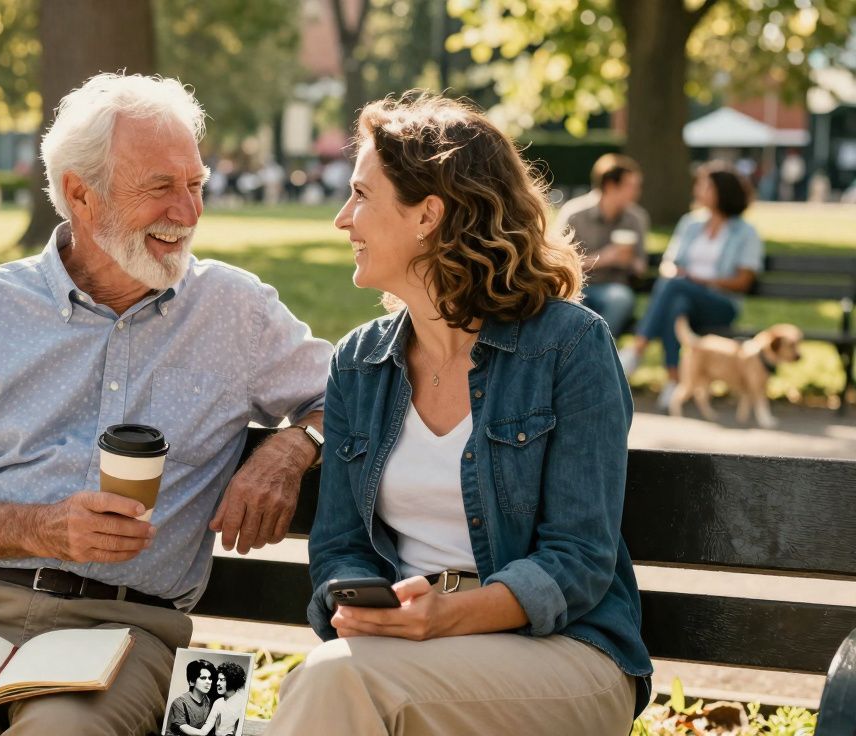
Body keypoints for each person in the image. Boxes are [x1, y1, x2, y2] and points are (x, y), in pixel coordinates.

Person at [0, 73, 331, 736]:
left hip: (125, 628)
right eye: (160, 187)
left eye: (195, 184)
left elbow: (354, 392)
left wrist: (290, 447)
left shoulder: (234, 310)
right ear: (80, 192)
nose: (189, 214)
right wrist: (39, 528)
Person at [266, 93, 651, 736]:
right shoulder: (359, 363)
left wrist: (447, 614)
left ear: (429, 214)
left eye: (360, 195)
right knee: (337, 676)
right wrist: (363, 604)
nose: (342, 219)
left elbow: (579, 560)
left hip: (566, 654)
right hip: (409, 653)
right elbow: (341, 547)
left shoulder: (568, 346)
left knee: (335, 680)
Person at [618, 163, 763, 409]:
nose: (698, 190)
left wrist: (701, 281)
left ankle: (637, 349)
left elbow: (743, 281)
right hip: (683, 293)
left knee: (676, 288)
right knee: (677, 305)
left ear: (722, 192)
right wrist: (679, 275)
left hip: (721, 303)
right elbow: (669, 264)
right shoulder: (691, 224)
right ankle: (674, 380)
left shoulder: (745, 232)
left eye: (704, 185)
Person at [556, 154, 649, 335]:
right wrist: (604, 258)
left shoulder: (636, 218)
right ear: (610, 186)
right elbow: (558, 265)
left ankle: (597, 350)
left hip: (614, 288)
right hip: (577, 286)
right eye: (631, 186)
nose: (637, 193)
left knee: (621, 299)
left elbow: (641, 267)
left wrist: (630, 261)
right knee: (571, 303)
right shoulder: (575, 214)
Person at [166, 659, 215, 735]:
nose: (208, 682)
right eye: (203, 678)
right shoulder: (179, 703)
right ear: (192, 682)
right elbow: (200, 733)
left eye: (210, 678)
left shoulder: (206, 700)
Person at [194, 662, 245, 736]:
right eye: (218, 680)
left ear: (231, 680)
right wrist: (183, 726)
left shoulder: (242, 702)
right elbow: (205, 729)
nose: (217, 683)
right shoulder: (218, 702)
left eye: (222, 680)